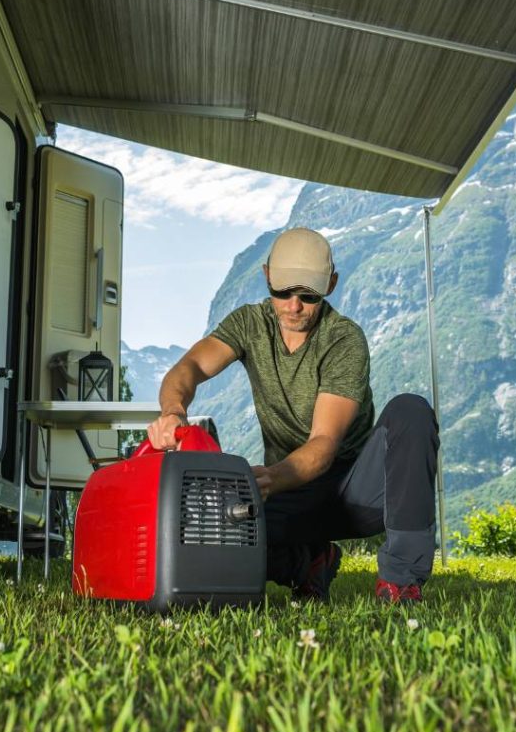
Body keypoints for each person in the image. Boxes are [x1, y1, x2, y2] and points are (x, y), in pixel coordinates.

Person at [146, 227, 439, 603]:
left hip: (355, 494)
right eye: (282, 292)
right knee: (217, 543)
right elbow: (190, 367)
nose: (293, 305)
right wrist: (173, 411)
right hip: (292, 491)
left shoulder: (344, 339)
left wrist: (271, 477)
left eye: (308, 295)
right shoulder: (249, 325)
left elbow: (323, 443)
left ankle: (401, 581)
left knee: (410, 411)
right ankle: (311, 563)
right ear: (267, 276)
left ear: (331, 285)